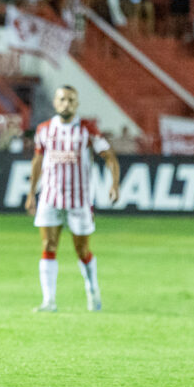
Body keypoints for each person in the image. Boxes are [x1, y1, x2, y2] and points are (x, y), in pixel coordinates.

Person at [24, 86, 120, 313]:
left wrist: (114, 184)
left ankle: (92, 289)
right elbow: (38, 161)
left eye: (70, 100)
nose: (66, 103)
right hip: (50, 196)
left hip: (80, 199)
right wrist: (31, 192)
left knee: (82, 250)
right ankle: (49, 301)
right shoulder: (44, 129)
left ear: (76, 104)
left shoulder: (87, 129)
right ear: (55, 103)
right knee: (48, 246)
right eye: (62, 99)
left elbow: (109, 156)